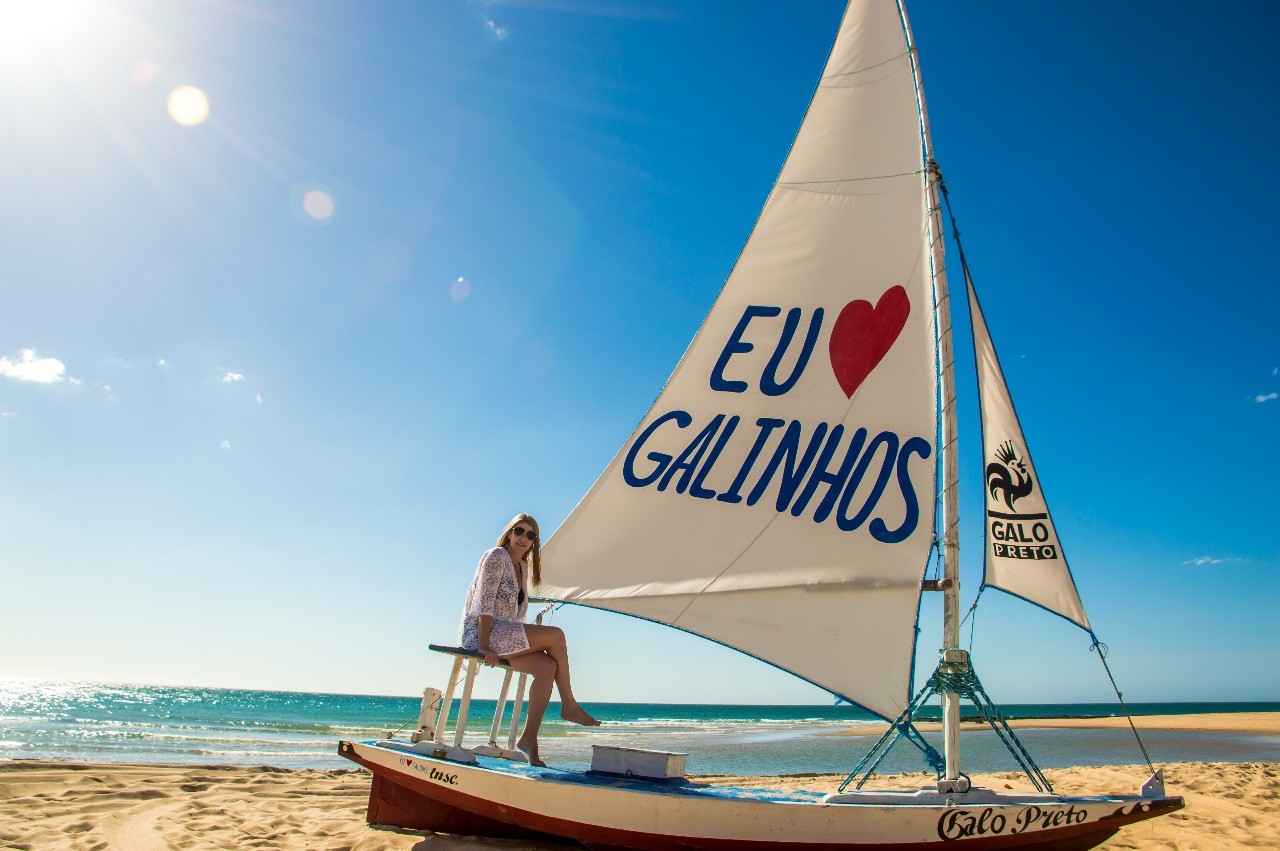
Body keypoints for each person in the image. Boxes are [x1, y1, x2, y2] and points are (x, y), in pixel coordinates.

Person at [457, 513, 600, 766]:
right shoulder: (496, 557)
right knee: (556, 635)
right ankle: (569, 704)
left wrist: (526, 638)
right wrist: (484, 645)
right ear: (510, 533)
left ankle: (529, 740)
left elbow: (517, 614)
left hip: (505, 632)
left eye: (530, 535)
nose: (523, 538)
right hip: (484, 632)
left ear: (534, 542)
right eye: (519, 531)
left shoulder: (522, 567)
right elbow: (484, 603)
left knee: (548, 667)